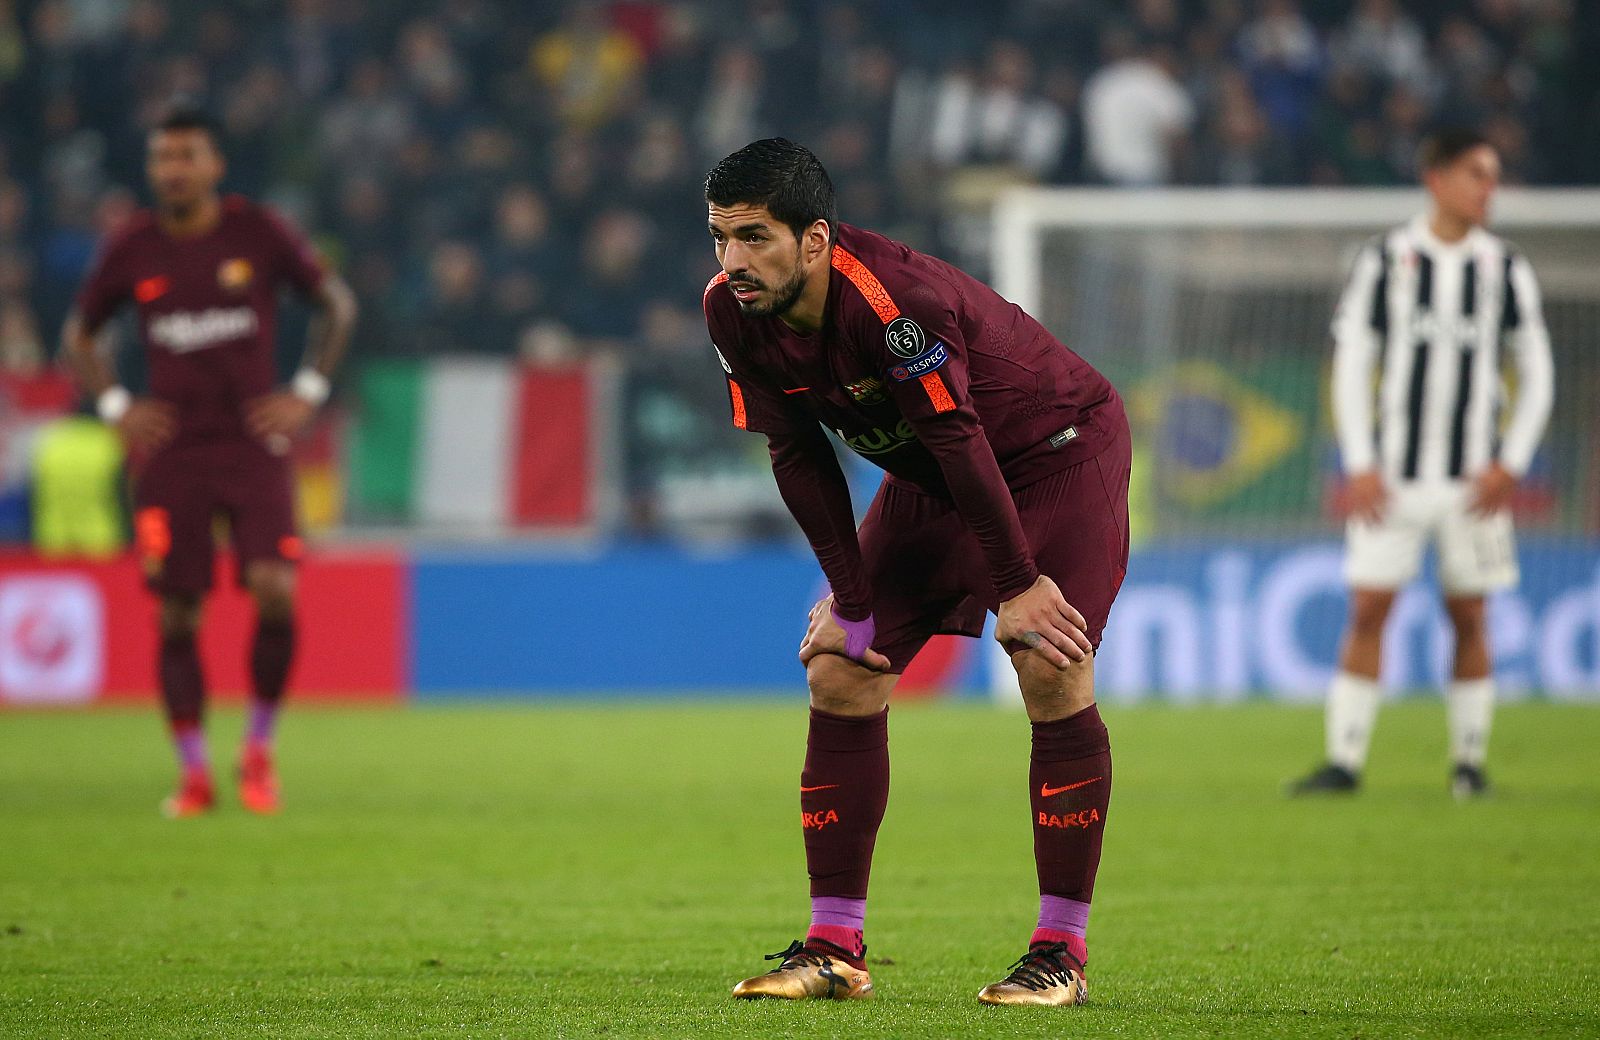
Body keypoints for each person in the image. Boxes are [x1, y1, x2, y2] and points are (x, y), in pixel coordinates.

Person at [703, 139, 1130, 1006]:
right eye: (720, 237)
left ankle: (1061, 955)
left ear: (815, 239)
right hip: (933, 472)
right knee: (839, 666)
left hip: (1056, 456)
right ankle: (833, 947)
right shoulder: (729, 311)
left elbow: (958, 437)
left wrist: (1016, 583)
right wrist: (852, 600)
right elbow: (796, 450)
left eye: (754, 238)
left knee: (1050, 663)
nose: (732, 261)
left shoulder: (898, 305)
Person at [63, 108, 358, 818]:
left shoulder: (256, 233)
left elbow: (336, 305)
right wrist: (114, 406)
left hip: (253, 442)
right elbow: (81, 331)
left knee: (275, 588)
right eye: (163, 158)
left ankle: (258, 750)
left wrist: (309, 390)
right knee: (176, 615)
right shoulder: (132, 246)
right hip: (171, 453)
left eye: (187, 156)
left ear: (215, 165)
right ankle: (193, 771)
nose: (174, 170)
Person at [1292, 128, 1552, 799]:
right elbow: (1352, 364)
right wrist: (1360, 461)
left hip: (1474, 484)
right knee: (1369, 608)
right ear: (1436, 178)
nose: (1488, 189)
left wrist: (1512, 462)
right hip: (1394, 480)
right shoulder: (1386, 260)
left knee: (1469, 615)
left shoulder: (1505, 267)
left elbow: (1537, 371)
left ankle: (1469, 764)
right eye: (1476, 174)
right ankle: (1344, 762)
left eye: (1493, 176)